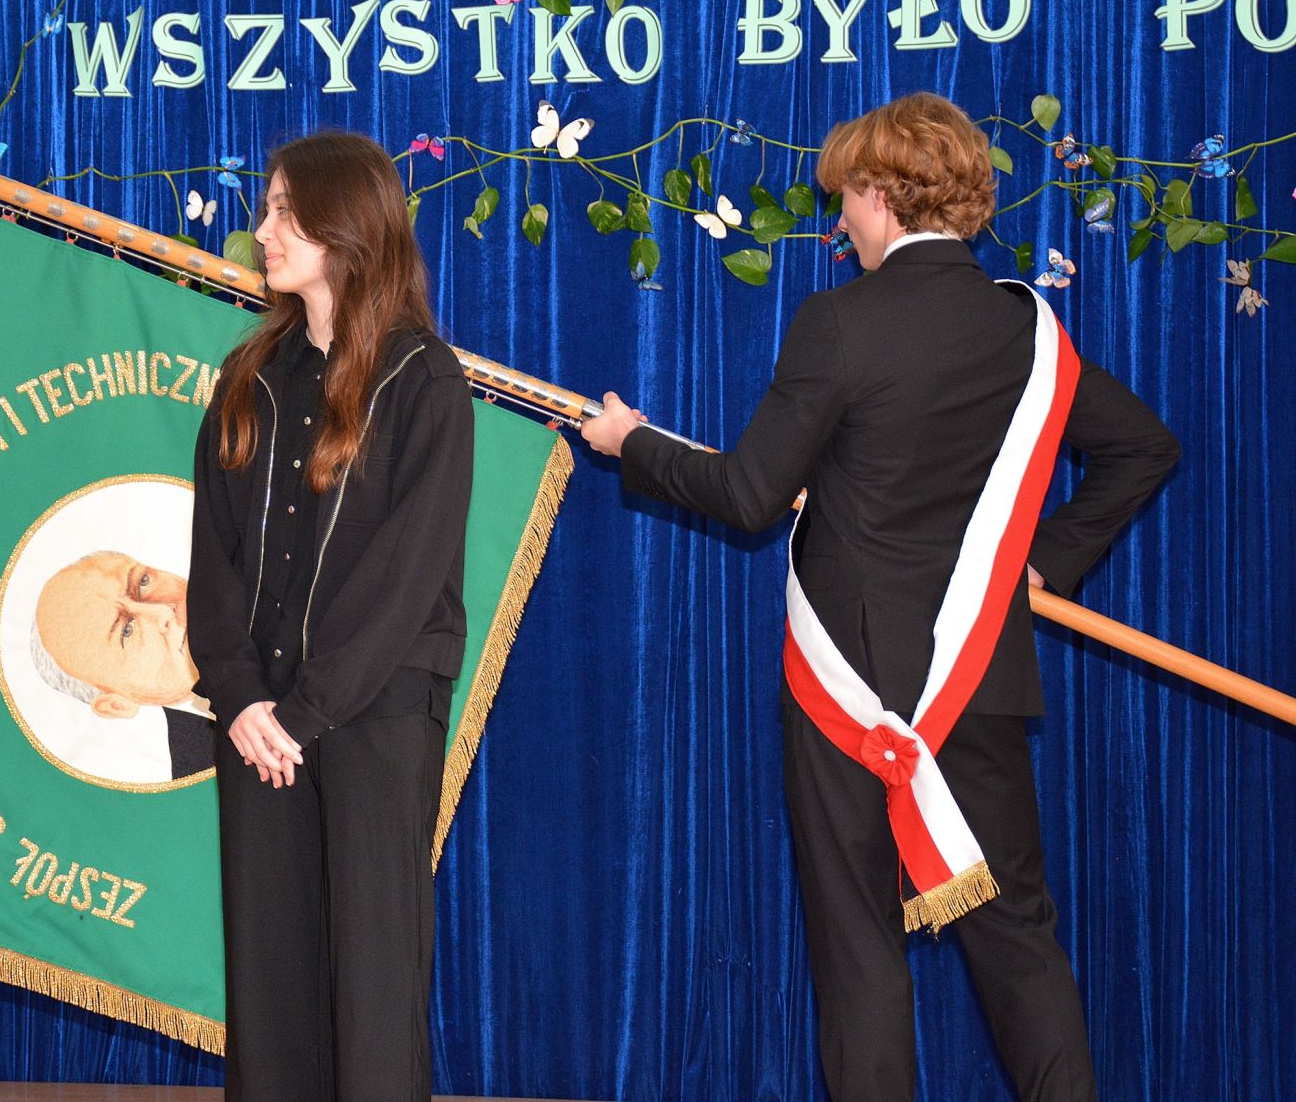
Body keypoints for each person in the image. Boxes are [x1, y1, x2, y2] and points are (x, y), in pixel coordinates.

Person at [579, 93, 1179, 1102]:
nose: (842, 222)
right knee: (1017, 938)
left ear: (883, 196)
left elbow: (749, 494)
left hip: (843, 688)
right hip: (976, 679)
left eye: (846, 200)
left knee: (858, 946)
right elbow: (1145, 447)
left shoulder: (840, 322)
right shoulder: (1026, 332)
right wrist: (1045, 562)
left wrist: (631, 444)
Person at [187, 131, 474, 1100]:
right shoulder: (249, 377)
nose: (264, 230)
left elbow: (406, 576)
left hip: (372, 717)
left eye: (285, 210)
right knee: (270, 979)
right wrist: (240, 697)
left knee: (372, 977)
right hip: (257, 722)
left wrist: (304, 712)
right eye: (267, 208)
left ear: (345, 225)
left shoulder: (423, 380)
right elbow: (213, 558)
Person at [32, 550, 214, 779]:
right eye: (127, 631)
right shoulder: (196, 769)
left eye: (143, 582)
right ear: (116, 705)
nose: (163, 611)